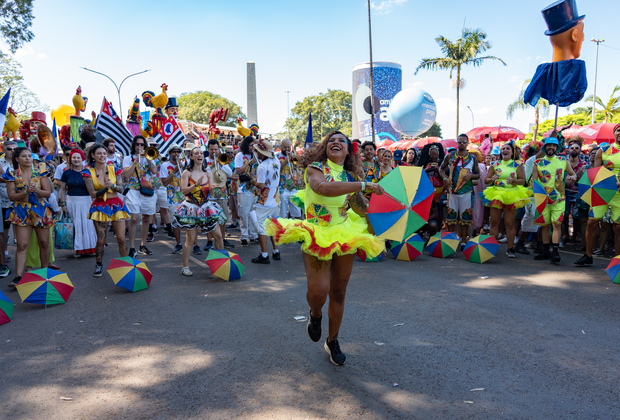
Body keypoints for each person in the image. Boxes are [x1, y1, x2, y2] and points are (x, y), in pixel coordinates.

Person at [265, 131, 385, 366]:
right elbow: (323, 189)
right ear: (324, 147)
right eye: (331, 140)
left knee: (339, 291)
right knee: (319, 291)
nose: (336, 142)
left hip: (344, 233)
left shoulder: (351, 175)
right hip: (316, 234)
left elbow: (360, 206)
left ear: (349, 150)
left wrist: (384, 212)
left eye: (342, 140)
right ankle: (315, 314)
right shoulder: (315, 168)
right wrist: (365, 184)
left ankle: (333, 340)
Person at [2, 147, 54, 287]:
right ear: (17, 158)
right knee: (22, 244)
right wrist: (25, 192)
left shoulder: (41, 172)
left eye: (29, 156)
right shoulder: (12, 174)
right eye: (24, 156)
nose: (28, 158)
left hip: (40, 210)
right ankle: (19, 276)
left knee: (44, 242)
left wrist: (35, 190)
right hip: (21, 210)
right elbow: (12, 196)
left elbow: (47, 193)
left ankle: (44, 273)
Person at [174, 147, 226, 276]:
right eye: (196, 153)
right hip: (191, 207)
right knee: (190, 239)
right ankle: (185, 267)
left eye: (201, 153)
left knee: (218, 235)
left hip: (206, 206)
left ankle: (222, 263)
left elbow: (211, 193)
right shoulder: (187, 173)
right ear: (191, 157)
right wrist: (195, 185)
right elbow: (183, 191)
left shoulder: (208, 173)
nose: (199, 155)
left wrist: (213, 188)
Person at [575, 123, 620, 266]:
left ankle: (617, 261)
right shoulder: (604, 150)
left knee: (618, 228)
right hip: (602, 193)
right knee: (591, 222)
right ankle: (588, 256)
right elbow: (595, 174)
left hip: (619, 196)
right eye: (619, 130)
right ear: (614, 133)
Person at [83, 144, 130, 276]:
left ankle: (125, 264)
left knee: (121, 238)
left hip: (116, 205)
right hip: (100, 206)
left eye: (104, 153)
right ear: (93, 155)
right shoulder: (88, 172)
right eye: (99, 153)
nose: (102, 156)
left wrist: (113, 185)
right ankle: (99, 264)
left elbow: (121, 189)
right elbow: (92, 194)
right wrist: (106, 188)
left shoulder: (115, 170)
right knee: (101, 240)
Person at [480, 143, 531, 257]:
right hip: (496, 194)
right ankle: (491, 248)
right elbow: (486, 180)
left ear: (512, 152)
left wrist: (514, 181)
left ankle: (510, 248)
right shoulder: (495, 164)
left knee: (509, 223)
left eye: (508, 149)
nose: (505, 150)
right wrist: (491, 179)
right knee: (494, 222)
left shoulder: (517, 164)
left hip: (511, 194)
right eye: (503, 149)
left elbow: (523, 181)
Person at [532, 137, 576, 263]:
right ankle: (546, 251)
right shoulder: (538, 163)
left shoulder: (563, 160)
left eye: (554, 146)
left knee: (556, 224)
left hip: (559, 199)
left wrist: (572, 178)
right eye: (548, 145)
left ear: (557, 148)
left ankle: (555, 252)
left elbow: (572, 174)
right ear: (545, 147)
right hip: (543, 199)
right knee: (545, 226)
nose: (551, 148)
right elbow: (534, 181)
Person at [439, 134, 480, 249]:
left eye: (464, 142)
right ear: (457, 143)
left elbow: (478, 175)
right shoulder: (450, 156)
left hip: (467, 192)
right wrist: (445, 178)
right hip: (452, 192)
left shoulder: (473, 158)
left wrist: (471, 175)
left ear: (468, 143)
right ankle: (452, 241)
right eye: (459, 142)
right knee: (451, 218)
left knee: (465, 218)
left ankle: (463, 242)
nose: (461, 144)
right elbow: (441, 169)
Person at [122, 135, 158, 257]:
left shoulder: (150, 157)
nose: (139, 147)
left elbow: (154, 171)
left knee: (146, 218)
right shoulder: (128, 158)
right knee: (134, 218)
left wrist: (147, 158)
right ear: (133, 146)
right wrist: (135, 161)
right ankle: (132, 247)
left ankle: (143, 245)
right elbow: (126, 175)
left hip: (147, 190)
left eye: (142, 145)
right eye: (137, 144)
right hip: (133, 190)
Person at [59, 148, 97, 257]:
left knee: (88, 225)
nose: (76, 159)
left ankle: (91, 248)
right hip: (72, 202)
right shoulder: (66, 173)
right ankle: (79, 249)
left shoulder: (89, 171)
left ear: (82, 159)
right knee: (76, 225)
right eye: (74, 157)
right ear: (70, 159)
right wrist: (63, 204)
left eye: (78, 157)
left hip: (87, 201)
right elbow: (62, 189)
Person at [250, 139, 281, 264]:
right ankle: (276, 251)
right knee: (273, 225)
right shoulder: (276, 161)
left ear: (262, 153)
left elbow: (261, 185)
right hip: (275, 200)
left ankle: (264, 255)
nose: (256, 153)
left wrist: (253, 181)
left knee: (261, 228)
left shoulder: (262, 166)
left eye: (257, 151)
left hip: (264, 202)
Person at [205, 139, 235, 249]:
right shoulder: (204, 160)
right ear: (208, 149)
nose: (214, 152)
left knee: (223, 219)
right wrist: (212, 166)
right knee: (209, 220)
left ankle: (222, 239)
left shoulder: (222, 160)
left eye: (216, 149)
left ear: (219, 149)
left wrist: (221, 164)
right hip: (209, 195)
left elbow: (230, 173)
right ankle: (209, 240)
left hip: (221, 194)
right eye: (211, 149)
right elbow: (203, 174)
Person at [234, 136, 259, 246]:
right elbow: (239, 171)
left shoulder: (257, 155)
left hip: (255, 188)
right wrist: (249, 162)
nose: (252, 148)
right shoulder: (240, 155)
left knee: (254, 213)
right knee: (244, 213)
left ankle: (254, 235)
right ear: (246, 145)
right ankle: (244, 236)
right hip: (244, 189)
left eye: (254, 145)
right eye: (250, 145)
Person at [159, 145, 184, 253]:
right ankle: (178, 244)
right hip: (172, 196)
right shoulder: (165, 165)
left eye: (178, 151)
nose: (176, 154)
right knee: (175, 220)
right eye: (174, 151)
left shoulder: (185, 164)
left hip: (184, 195)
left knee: (189, 220)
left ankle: (194, 244)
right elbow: (164, 182)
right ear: (169, 153)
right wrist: (175, 171)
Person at [0, 141, 17, 278]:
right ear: (4, 150)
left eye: (14, 149)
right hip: (4, 201)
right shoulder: (0, 162)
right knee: (4, 228)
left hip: (20, 200)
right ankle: (5, 251)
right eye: (9, 149)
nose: (12, 151)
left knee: (20, 226)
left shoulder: (21, 161)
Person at [276, 138, 303, 220]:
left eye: (289, 147)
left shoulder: (294, 155)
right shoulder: (277, 156)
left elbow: (300, 167)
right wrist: (286, 161)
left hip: (294, 189)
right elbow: (276, 170)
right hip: (282, 189)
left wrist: (293, 157)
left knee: (297, 213)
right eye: (285, 147)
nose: (287, 149)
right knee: (282, 215)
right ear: (281, 146)